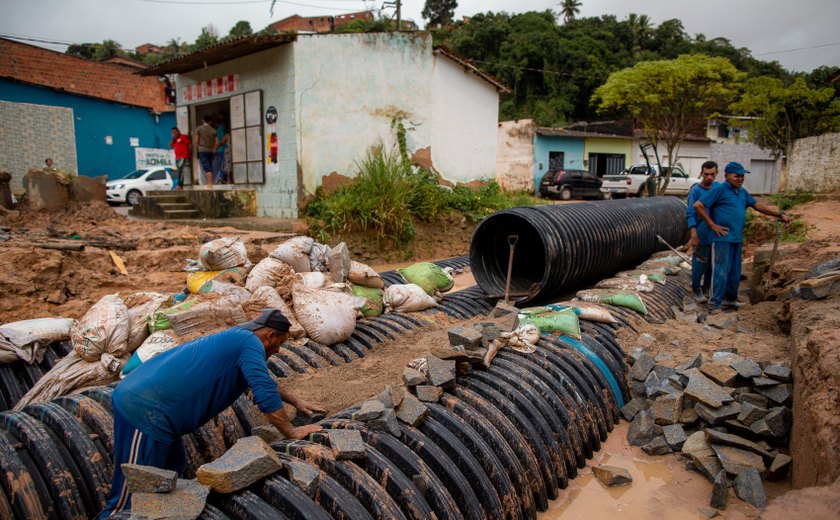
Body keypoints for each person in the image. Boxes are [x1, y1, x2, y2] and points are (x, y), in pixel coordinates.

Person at [98, 310, 325, 518]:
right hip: (145, 410)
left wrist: (297, 401)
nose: (278, 351)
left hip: (161, 415)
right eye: (280, 343)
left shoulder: (240, 338)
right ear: (270, 334)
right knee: (133, 497)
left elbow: (262, 380)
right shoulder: (249, 343)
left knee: (171, 472)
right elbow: (264, 393)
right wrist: (291, 432)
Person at [693, 161, 791, 314]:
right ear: (726, 176)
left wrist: (779, 214)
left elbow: (757, 205)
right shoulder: (719, 189)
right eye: (736, 176)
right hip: (721, 239)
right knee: (720, 272)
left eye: (742, 176)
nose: (740, 178)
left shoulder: (742, 192)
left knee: (734, 272)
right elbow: (698, 205)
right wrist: (712, 225)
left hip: (736, 238)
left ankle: (730, 300)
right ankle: (714, 304)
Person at [685, 161, 719, 302]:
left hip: (716, 231)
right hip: (701, 231)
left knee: (712, 262)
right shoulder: (696, 191)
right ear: (701, 173)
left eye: (712, 174)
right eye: (706, 174)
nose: (709, 177)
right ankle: (696, 288)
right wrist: (694, 233)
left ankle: (706, 288)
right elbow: (690, 213)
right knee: (700, 261)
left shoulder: (718, 188)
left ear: (716, 174)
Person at [194, 114, 217, 188]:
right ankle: (209, 183)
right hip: (210, 151)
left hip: (202, 150)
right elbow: (216, 142)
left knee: (207, 168)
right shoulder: (214, 130)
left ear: (203, 120)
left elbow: (197, 140)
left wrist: (197, 146)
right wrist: (214, 149)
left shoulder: (199, 129)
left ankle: (209, 184)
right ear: (210, 121)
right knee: (210, 166)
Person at [212, 114, 229, 184]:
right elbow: (223, 140)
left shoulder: (217, 130)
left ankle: (219, 179)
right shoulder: (222, 129)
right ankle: (221, 178)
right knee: (224, 164)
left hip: (218, 150)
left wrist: (215, 148)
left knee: (219, 166)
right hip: (222, 149)